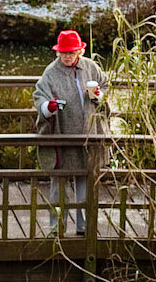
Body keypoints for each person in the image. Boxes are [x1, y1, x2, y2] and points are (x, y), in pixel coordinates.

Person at [32, 28, 107, 237]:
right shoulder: (50, 73)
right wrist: (50, 106)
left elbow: (105, 85)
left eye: (71, 53)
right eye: (64, 53)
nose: (67, 57)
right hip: (62, 136)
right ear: (58, 53)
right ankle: (57, 228)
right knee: (59, 185)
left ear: (79, 52)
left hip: (87, 136)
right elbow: (39, 98)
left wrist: (99, 96)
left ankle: (84, 227)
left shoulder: (91, 67)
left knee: (85, 182)